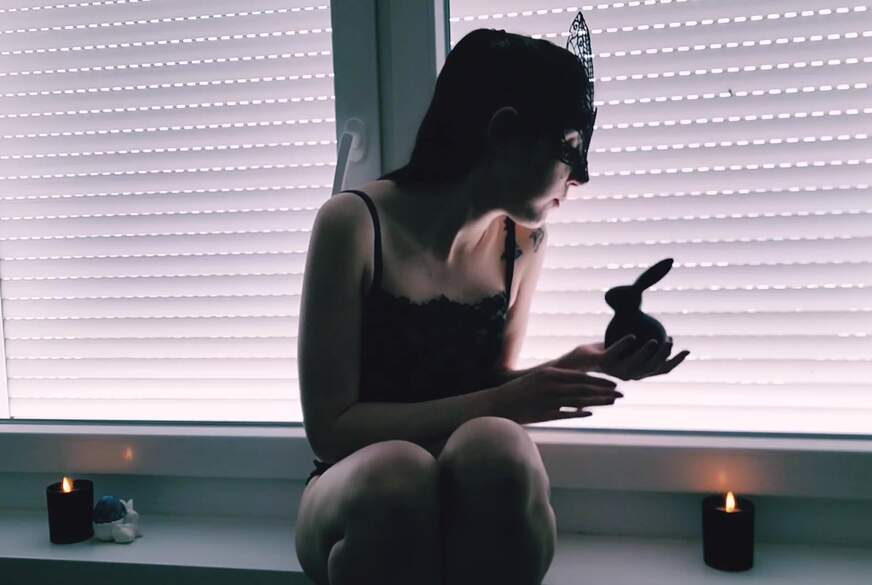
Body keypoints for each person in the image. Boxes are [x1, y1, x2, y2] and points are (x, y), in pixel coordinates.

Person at [294, 20, 690, 585]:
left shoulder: (522, 243)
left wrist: (582, 365)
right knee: (399, 474)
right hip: (359, 491)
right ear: (504, 133)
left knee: (499, 447)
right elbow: (331, 429)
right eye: (570, 150)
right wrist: (507, 400)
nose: (578, 179)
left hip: (464, 485)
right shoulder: (354, 225)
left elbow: (490, 386)